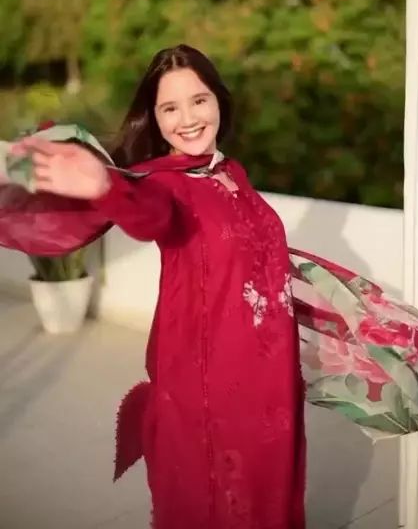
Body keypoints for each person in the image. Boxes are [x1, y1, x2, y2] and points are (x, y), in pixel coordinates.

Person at [10, 45, 306, 529]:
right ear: (155, 118)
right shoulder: (162, 183)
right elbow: (148, 216)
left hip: (271, 380)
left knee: (270, 492)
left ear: (219, 101)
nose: (187, 119)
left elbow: (257, 258)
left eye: (199, 100)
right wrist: (103, 187)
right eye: (170, 108)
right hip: (209, 383)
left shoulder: (230, 172)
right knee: (214, 504)